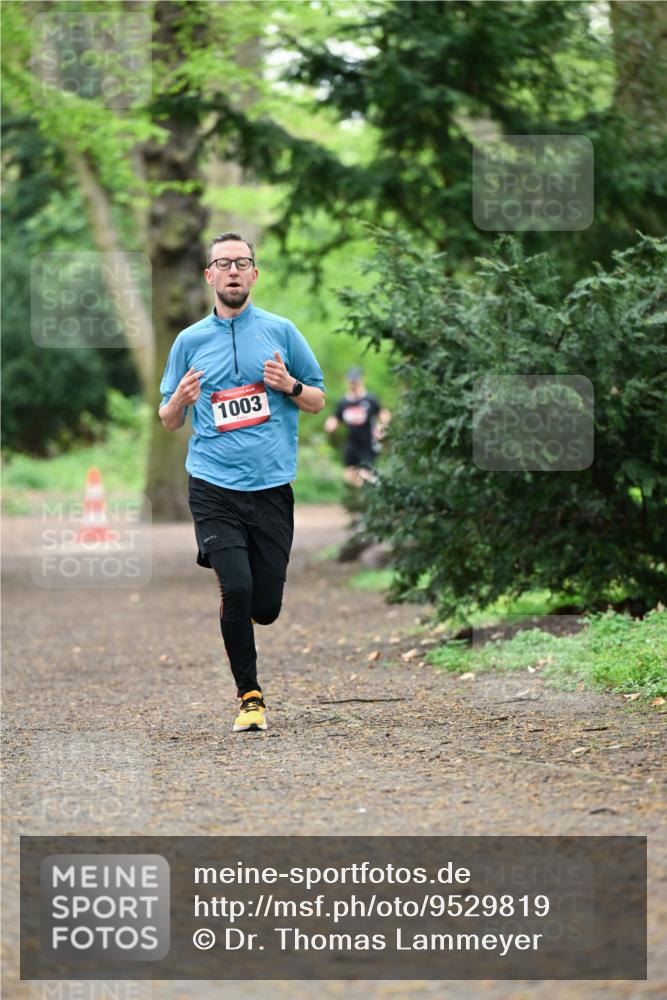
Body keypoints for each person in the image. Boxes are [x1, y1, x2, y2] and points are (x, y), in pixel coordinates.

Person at [158, 232, 325, 733]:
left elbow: (316, 400)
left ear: (254, 274)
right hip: (212, 485)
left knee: (265, 607)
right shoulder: (189, 341)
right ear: (209, 275)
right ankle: (250, 697)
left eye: (242, 262)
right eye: (223, 263)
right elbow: (167, 418)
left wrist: (289, 386)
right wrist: (181, 400)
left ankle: (245, 606)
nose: (233, 270)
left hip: (272, 485)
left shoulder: (282, 332)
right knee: (236, 587)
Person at [324, 368, 391, 487]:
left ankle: (376, 489)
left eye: (355, 380)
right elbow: (336, 418)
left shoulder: (370, 399)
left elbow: (384, 413)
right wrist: (330, 424)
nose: (353, 383)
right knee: (348, 476)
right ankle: (370, 491)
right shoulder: (343, 402)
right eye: (351, 380)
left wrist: (382, 427)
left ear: (361, 380)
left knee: (363, 473)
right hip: (351, 443)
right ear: (346, 381)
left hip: (368, 443)